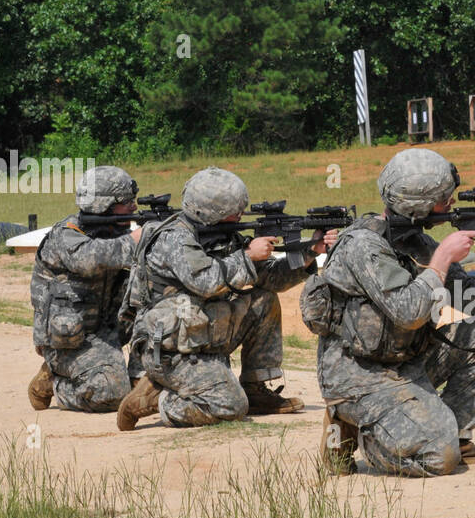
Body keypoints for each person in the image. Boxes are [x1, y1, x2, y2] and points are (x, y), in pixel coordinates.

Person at [302, 148, 475, 476]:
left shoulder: (416, 242)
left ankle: (455, 434)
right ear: (417, 203)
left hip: (405, 359)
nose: (450, 203)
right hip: (359, 374)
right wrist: (443, 258)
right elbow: (408, 312)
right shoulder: (363, 246)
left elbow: (471, 300)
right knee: (438, 457)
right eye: (442, 197)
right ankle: (358, 426)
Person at [116, 167, 330, 430]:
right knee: (230, 406)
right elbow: (205, 281)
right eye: (234, 210)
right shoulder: (174, 238)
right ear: (211, 211)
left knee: (263, 300)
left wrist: (309, 252)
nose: (240, 214)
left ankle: (255, 388)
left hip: (202, 337)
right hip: (170, 351)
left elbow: (270, 278)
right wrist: (247, 256)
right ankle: (154, 397)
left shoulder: (222, 235)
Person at [28, 166, 142, 413]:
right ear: (105, 205)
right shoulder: (67, 235)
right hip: (68, 341)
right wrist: (138, 240)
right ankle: (56, 380)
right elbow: (90, 259)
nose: (134, 207)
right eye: (126, 202)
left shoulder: (117, 232)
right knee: (110, 393)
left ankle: (136, 375)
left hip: (106, 332)